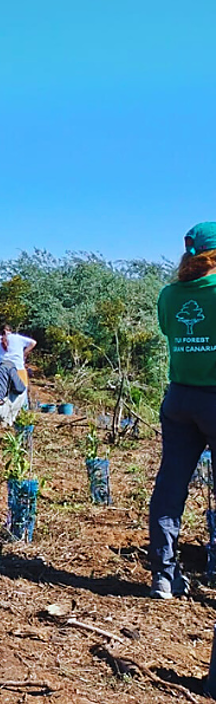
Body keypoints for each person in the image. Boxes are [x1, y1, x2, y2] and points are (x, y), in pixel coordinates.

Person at [147, 222, 216, 599]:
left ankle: (163, 574)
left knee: (171, 486)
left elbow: (167, 330)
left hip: (179, 400)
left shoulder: (169, 294)